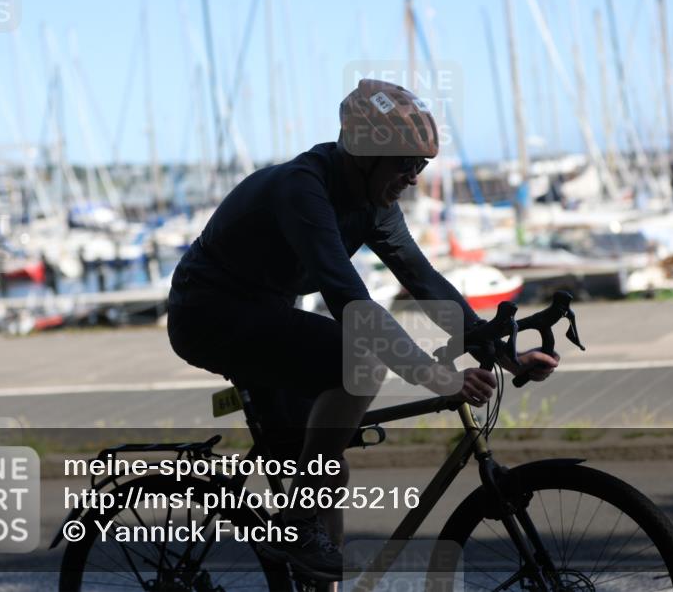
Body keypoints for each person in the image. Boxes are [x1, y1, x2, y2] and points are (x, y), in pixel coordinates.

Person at [166, 79, 559, 581]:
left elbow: (422, 279)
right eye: (404, 163)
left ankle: (307, 540)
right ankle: (297, 518)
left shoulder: (374, 203)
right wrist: (439, 377)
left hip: (263, 314)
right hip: (209, 316)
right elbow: (355, 307)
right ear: (362, 154)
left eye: (420, 166)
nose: (413, 177)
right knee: (360, 362)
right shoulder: (303, 190)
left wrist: (506, 354)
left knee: (329, 469)